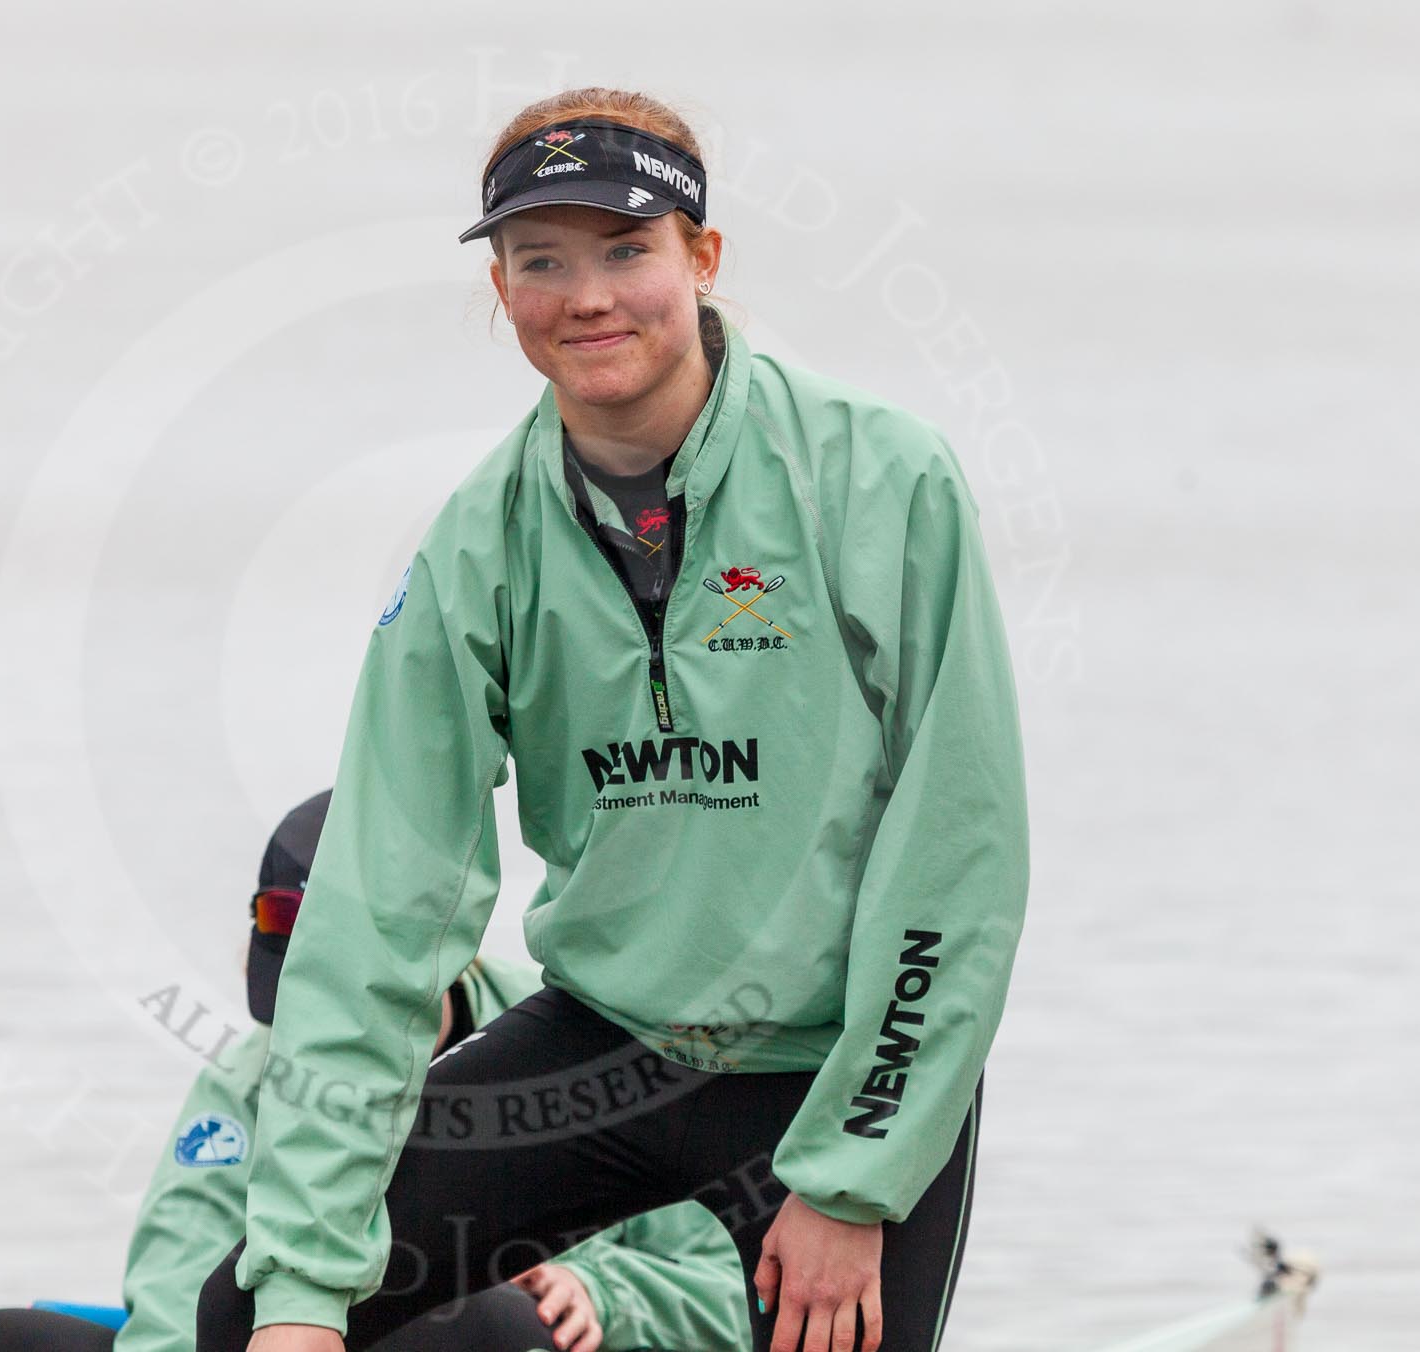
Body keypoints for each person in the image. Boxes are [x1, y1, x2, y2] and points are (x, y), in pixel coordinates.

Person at [195, 89, 1029, 1352]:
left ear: (701, 256)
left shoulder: (883, 475)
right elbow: (381, 900)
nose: (587, 296)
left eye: (627, 249)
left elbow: (958, 850)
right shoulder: (480, 543)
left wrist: (854, 1176)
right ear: (499, 287)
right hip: (606, 1040)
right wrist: (308, 1288)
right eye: (543, 261)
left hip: (832, 1056)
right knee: (252, 1307)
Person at [0, 790, 749, 1352]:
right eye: (299, 1013)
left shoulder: (592, 1041)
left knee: (479, 1323)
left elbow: (733, 1292)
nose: (316, 1044)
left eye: (340, 1017)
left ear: (440, 955)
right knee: (0, 1339)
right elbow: (174, 1280)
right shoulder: (251, 1077)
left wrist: (608, 1296)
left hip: (516, 1340)